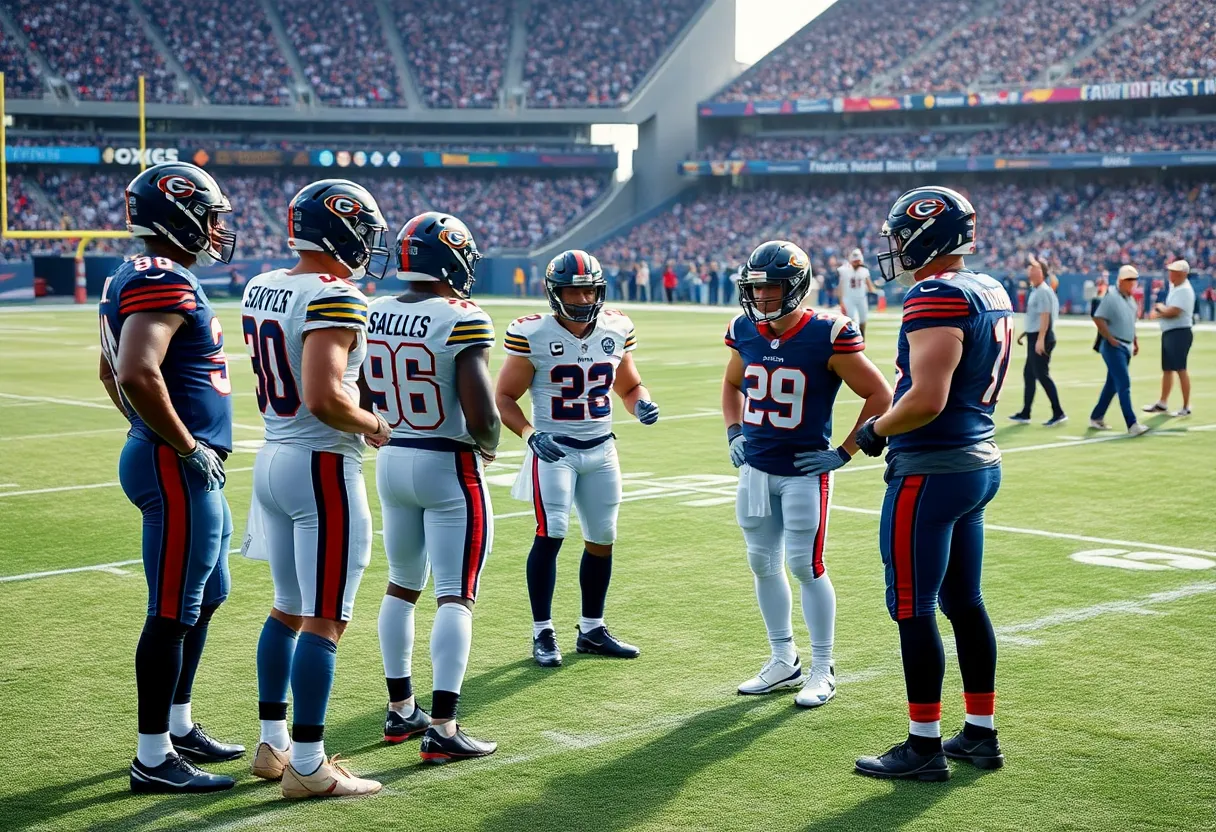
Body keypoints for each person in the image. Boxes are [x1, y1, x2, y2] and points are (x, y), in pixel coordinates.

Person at [852, 186, 1014, 782]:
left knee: (913, 606)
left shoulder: (935, 294)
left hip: (932, 469)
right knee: (963, 601)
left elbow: (926, 399)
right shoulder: (989, 287)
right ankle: (980, 733)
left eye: (902, 235)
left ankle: (923, 746)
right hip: (977, 462)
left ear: (928, 233)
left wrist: (875, 430)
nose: (895, 247)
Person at [243, 179, 392, 799]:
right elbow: (325, 397)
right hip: (321, 466)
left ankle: (273, 743)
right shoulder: (336, 294)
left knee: (287, 606)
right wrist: (374, 424)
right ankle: (307, 765)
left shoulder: (262, 283)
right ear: (342, 228)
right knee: (326, 619)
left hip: (272, 458)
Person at [99, 162, 242, 795]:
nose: (216, 228)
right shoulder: (161, 276)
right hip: (176, 464)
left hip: (176, 458)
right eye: (208, 215)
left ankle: (178, 725)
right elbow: (134, 371)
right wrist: (181, 443)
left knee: (208, 595)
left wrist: (153, 432)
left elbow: (109, 373)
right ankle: (152, 756)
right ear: (178, 215)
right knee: (172, 609)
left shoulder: (138, 273)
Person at [723, 240, 891, 708]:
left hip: (804, 470)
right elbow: (732, 383)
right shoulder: (744, 329)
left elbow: (880, 394)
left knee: (805, 564)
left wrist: (845, 452)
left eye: (772, 288)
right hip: (756, 468)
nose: (761, 297)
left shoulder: (827, 333)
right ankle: (783, 659)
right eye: (756, 288)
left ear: (795, 286)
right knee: (761, 562)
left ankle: (823, 666)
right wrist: (734, 432)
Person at [365, 212, 501, 763]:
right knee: (455, 594)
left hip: (393, 455)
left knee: (401, 585)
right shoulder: (461, 316)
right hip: (448, 462)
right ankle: (443, 727)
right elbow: (482, 412)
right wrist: (489, 444)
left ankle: (401, 708)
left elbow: (366, 387)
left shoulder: (375, 309)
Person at [495, 250, 660, 668]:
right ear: (555, 293)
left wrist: (641, 403)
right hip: (556, 451)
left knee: (602, 537)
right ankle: (542, 631)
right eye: (574, 291)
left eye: (589, 291)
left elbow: (630, 387)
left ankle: (592, 629)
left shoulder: (616, 327)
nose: (584, 299)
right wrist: (530, 434)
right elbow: (504, 397)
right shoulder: (533, 333)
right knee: (550, 533)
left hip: (602, 449)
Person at [1090, 265, 1149, 435]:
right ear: (1121, 281)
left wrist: (1135, 341)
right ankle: (1132, 424)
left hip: (1125, 346)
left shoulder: (1131, 301)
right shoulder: (1111, 297)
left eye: (1134, 281)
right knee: (1123, 383)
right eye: (1130, 281)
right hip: (1113, 347)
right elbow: (1098, 318)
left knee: (1112, 385)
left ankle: (1096, 417)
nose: (1133, 284)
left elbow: (1131, 322)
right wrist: (1109, 338)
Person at [1008, 260, 1065, 426]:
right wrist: (1026, 332)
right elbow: (1037, 317)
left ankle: (1058, 412)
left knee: (1042, 375)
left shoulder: (1043, 291)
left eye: (1034, 268)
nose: (1030, 271)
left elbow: (1045, 316)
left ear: (1041, 272)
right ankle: (1026, 412)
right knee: (1029, 374)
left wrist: (1040, 340)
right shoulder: (1037, 290)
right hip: (1036, 335)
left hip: (1042, 337)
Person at [1144, 260, 1196, 417]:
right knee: (1167, 369)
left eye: (1174, 271)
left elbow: (1174, 311)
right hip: (1170, 332)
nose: (1170, 274)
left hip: (1179, 332)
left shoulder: (1184, 289)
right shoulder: (1176, 288)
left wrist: (1160, 310)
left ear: (1182, 274)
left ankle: (1186, 406)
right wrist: (1162, 311)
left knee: (1180, 369)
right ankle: (1163, 402)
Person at [837, 248, 876, 338]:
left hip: (861, 298)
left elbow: (870, 286)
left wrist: (875, 289)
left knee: (863, 320)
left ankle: (862, 338)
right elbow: (840, 286)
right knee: (851, 320)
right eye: (855, 261)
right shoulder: (844, 270)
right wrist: (840, 300)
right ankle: (853, 338)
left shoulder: (864, 270)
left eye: (858, 261)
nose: (857, 263)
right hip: (848, 298)